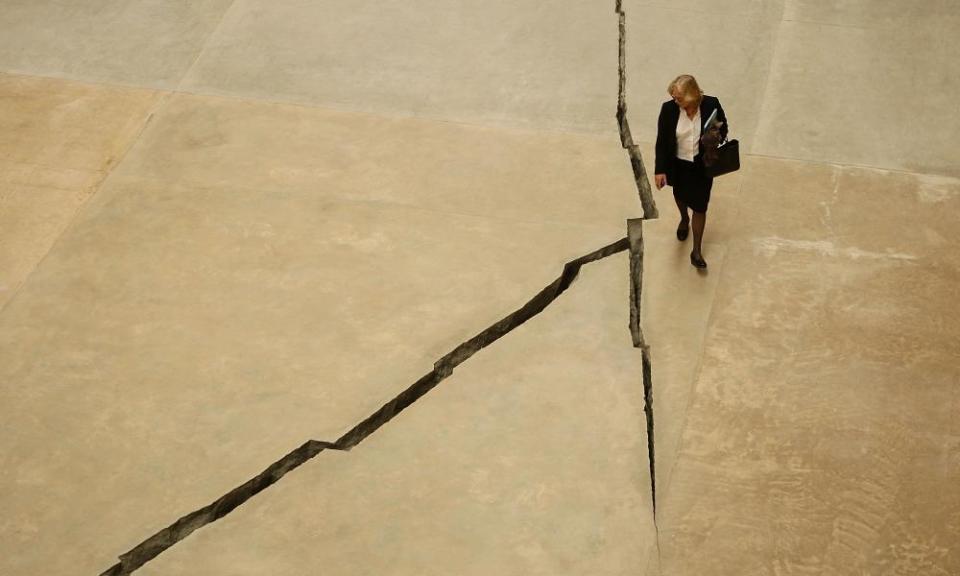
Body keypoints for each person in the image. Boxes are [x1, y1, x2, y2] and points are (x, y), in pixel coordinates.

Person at [654, 75, 728, 269]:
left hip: (702, 164)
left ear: (692, 95)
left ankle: (696, 251)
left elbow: (724, 128)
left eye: (679, 98)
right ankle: (684, 219)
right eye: (673, 96)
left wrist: (715, 136)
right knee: (680, 195)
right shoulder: (669, 110)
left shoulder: (711, 104)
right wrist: (659, 170)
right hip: (678, 164)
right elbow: (662, 142)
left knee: (700, 206)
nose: (675, 101)